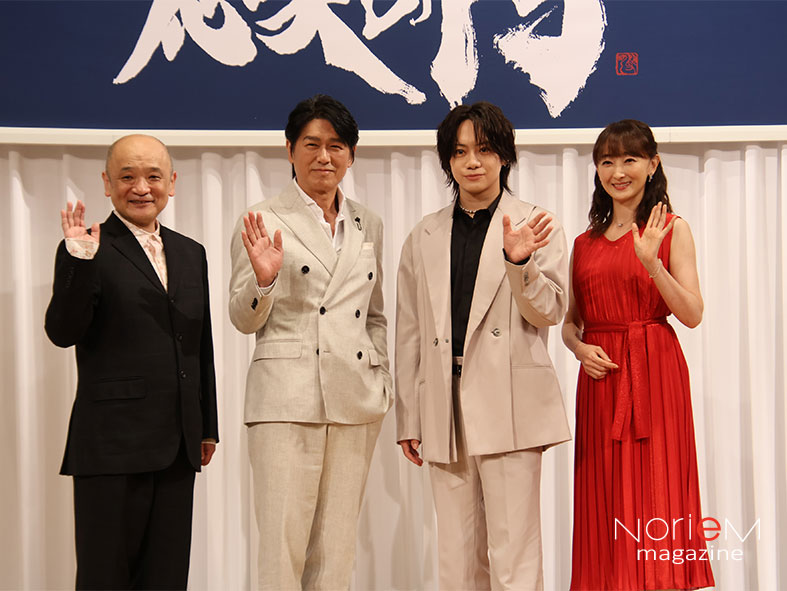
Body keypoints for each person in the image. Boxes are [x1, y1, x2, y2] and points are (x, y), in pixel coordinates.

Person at [395, 101, 571, 590]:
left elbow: (551, 311)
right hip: (443, 405)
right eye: (459, 152)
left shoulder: (535, 222)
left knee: (515, 553)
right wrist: (409, 416)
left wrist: (521, 264)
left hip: (510, 404)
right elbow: (409, 332)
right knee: (455, 557)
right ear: (448, 161)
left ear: (504, 156)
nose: (472, 161)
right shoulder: (424, 234)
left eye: (484, 149)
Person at [228, 94, 391, 590]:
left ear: (352, 155)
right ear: (290, 149)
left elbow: (375, 313)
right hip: (286, 400)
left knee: (336, 551)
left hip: (354, 400)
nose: (324, 156)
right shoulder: (263, 218)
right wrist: (264, 281)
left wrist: (379, 374)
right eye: (312, 144)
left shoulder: (367, 222)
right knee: (282, 548)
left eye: (336, 146)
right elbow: (241, 319)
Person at [44, 134, 219, 590]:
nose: (141, 187)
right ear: (107, 183)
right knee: (105, 577)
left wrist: (206, 425)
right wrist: (77, 262)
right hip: (111, 446)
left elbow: (200, 343)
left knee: (166, 577)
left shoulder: (191, 252)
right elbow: (62, 333)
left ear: (172, 183)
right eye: (127, 176)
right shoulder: (87, 247)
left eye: (153, 176)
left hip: (178, 444)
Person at [562, 119, 715, 590]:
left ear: (653, 164)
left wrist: (653, 265)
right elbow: (570, 323)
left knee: (657, 488)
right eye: (607, 161)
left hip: (655, 375)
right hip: (601, 382)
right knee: (604, 492)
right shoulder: (583, 243)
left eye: (630, 159)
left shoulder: (672, 229)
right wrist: (578, 348)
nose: (618, 171)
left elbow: (692, 313)